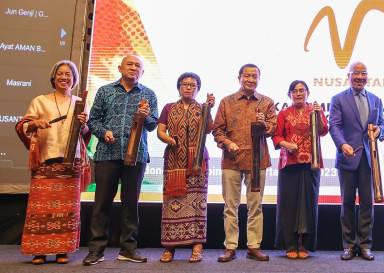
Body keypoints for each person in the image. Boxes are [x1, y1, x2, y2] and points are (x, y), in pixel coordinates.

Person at [83, 55, 158, 265]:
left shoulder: (149, 94)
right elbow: (93, 120)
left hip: (137, 157)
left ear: (142, 72)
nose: (134, 68)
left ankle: (128, 249)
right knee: (101, 204)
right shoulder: (105, 91)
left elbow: (153, 125)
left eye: (138, 66)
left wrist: (146, 116)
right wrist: (103, 132)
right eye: (130, 64)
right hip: (107, 154)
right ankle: (96, 250)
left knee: (130, 205)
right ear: (120, 68)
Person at [16, 60, 90, 265]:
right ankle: (39, 251)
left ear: (74, 79)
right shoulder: (40, 101)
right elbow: (22, 126)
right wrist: (34, 123)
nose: (64, 77)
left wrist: (84, 126)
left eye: (69, 74)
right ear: (53, 77)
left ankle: (62, 251)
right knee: (41, 208)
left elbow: (85, 135)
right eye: (60, 74)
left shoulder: (80, 102)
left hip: (70, 162)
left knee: (67, 209)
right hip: (45, 160)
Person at [212, 63, 276, 262]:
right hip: (231, 161)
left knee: (255, 206)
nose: (250, 79)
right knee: (230, 206)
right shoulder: (226, 102)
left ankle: (253, 246)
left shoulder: (266, 102)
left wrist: (265, 124)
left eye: (254, 76)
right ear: (239, 77)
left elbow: (273, 128)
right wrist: (227, 143)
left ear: (259, 79)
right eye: (246, 76)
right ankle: (230, 247)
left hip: (258, 162)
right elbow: (217, 131)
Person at [329, 61, 384, 261]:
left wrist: (380, 131)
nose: (360, 77)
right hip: (347, 157)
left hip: (369, 161)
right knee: (347, 204)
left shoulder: (376, 99)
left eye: (364, 73)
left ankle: (364, 245)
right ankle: (348, 246)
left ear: (367, 76)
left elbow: (382, 126)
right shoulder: (338, 99)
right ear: (349, 76)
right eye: (356, 73)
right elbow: (334, 126)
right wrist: (342, 145)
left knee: (367, 204)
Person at [156, 72, 215, 263]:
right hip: (174, 160)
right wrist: (169, 140)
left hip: (197, 161)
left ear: (198, 88)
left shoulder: (202, 108)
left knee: (197, 203)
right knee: (171, 203)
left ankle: (197, 247)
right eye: (185, 84)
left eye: (193, 85)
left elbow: (208, 129)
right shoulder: (169, 107)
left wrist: (210, 109)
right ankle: (169, 248)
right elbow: (160, 131)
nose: (188, 87)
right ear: (179, 87)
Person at [272, 80, 328, 259]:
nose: (298, 94)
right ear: (289, 94)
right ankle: (290, 245)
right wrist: (286, 144)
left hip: (312, 164)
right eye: (294, 91)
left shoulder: (315, 111)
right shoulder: (284, 113)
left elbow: (323, 130)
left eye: (302, 90)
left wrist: (318, 115)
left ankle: (304, 245)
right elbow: (276, 136)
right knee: (289, 205)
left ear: (307, 93)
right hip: (289, 164)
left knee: (308, 205)